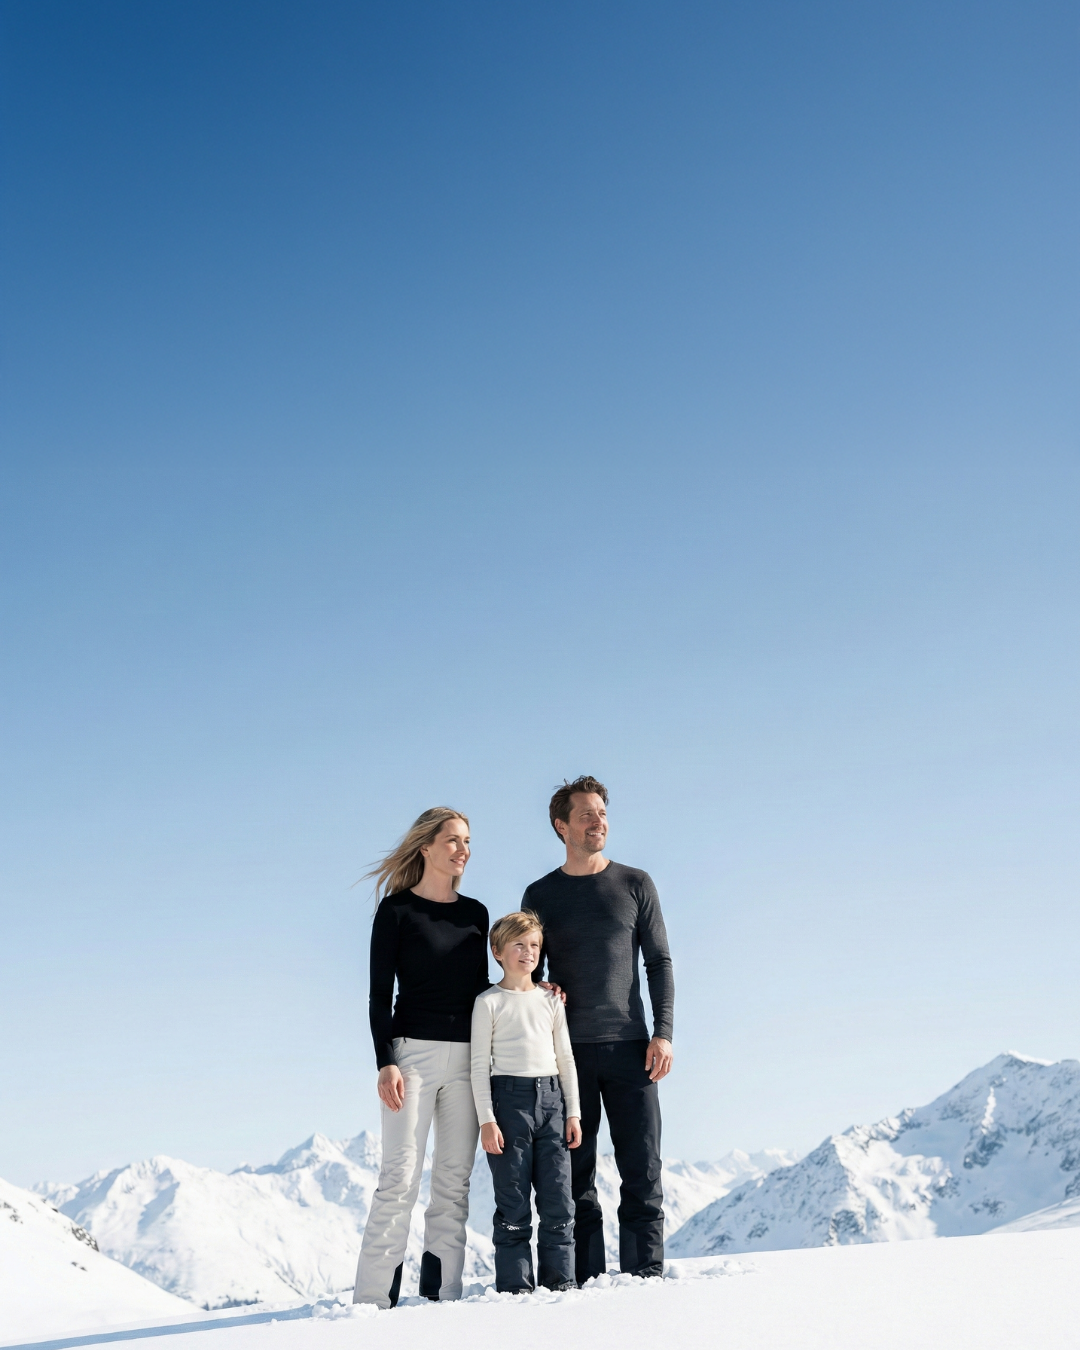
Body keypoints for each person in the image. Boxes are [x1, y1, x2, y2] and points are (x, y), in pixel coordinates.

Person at [522, 776, 674, 1284]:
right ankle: (582, 1285)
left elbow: (658, 961)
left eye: (602, 812)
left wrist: (664, 1032)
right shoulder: (540, 894)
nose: (598, 821)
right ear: (561, 826)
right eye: (585, 814)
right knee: (572, 1178)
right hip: (567, 1056)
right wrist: (544, 990)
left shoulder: (636, 883)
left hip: (633, 1049)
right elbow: (529, 973)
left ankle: (644, 1278)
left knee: (642, 1172)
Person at [353, 807, 488, 1309]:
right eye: (452, 840)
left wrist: (531, 992)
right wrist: (384, 1060)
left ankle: (443, 1299)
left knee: (454, 1184)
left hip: (468, 1060)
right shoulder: (395, 911)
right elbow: (377, 997)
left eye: (468, 841)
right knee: (399, 1178)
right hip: (411, 1058)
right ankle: (372, 1302)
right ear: (426, 847)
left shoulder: (476, 914)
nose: (463, 850)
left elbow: (481, 993)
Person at [470, 911, 582, 1294]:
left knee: (558, 1201)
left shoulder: (550, 999)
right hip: (508, 1103)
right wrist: (487, 1119)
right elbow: (477, 1066)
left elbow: (565, 1058)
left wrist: (574, 1112)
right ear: (497, 951)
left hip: (553, 1102)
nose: (528, 952)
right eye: (518, 944)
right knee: (513, 1201)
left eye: (534, 945)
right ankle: (515, 1289)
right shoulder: (488, 1002)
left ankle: (560, 1285)